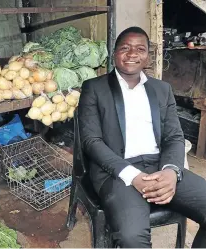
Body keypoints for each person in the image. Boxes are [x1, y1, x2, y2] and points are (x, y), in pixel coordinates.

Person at [78, 26, 206, 248]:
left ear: (148, 55)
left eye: (140, 49)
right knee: (132, 237)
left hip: (159, 165)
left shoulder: (162, 89)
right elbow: (92, 142)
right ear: (114, 52)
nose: (132, 54)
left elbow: (174, 136)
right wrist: (133, 176)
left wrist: (171, 171)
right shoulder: (94, 88)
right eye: (125, 48)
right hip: (118, 172)